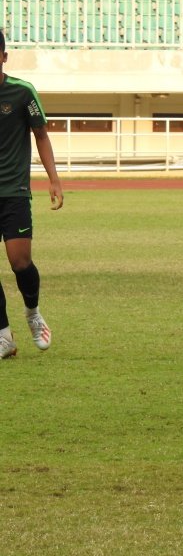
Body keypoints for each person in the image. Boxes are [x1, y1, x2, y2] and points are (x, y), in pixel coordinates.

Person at [0, 29, 64, 360]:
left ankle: (32, 312)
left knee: (20, 261)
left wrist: (53, 179)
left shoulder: (22, 92)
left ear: (4, 57)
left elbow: (41, 134)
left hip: (14, 191)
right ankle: (3, 337)